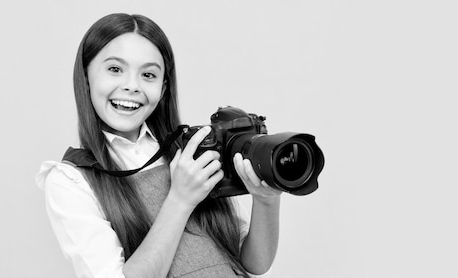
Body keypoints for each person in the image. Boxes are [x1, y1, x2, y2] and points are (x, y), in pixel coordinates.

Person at [35, 13, 281, 278]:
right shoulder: (70, 181)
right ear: (86, 77)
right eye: (115, 69)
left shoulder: (191, 152)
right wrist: (180, 200)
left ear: (163, 88)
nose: (131, 86)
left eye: (148, 74)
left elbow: (253, 263)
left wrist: (266, 200)